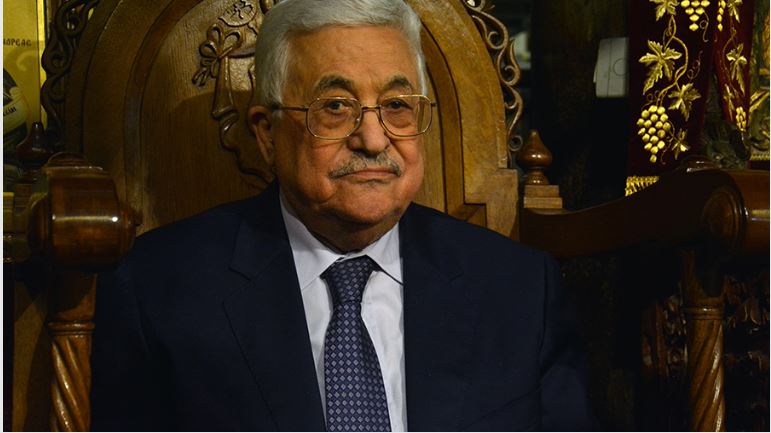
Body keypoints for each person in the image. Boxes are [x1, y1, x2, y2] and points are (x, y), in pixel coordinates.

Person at [91, 0, 594, 431]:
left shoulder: (520, 290)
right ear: (266, 134)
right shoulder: (156, 291)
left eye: (396, 105)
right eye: (335, 106)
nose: (373, 139)